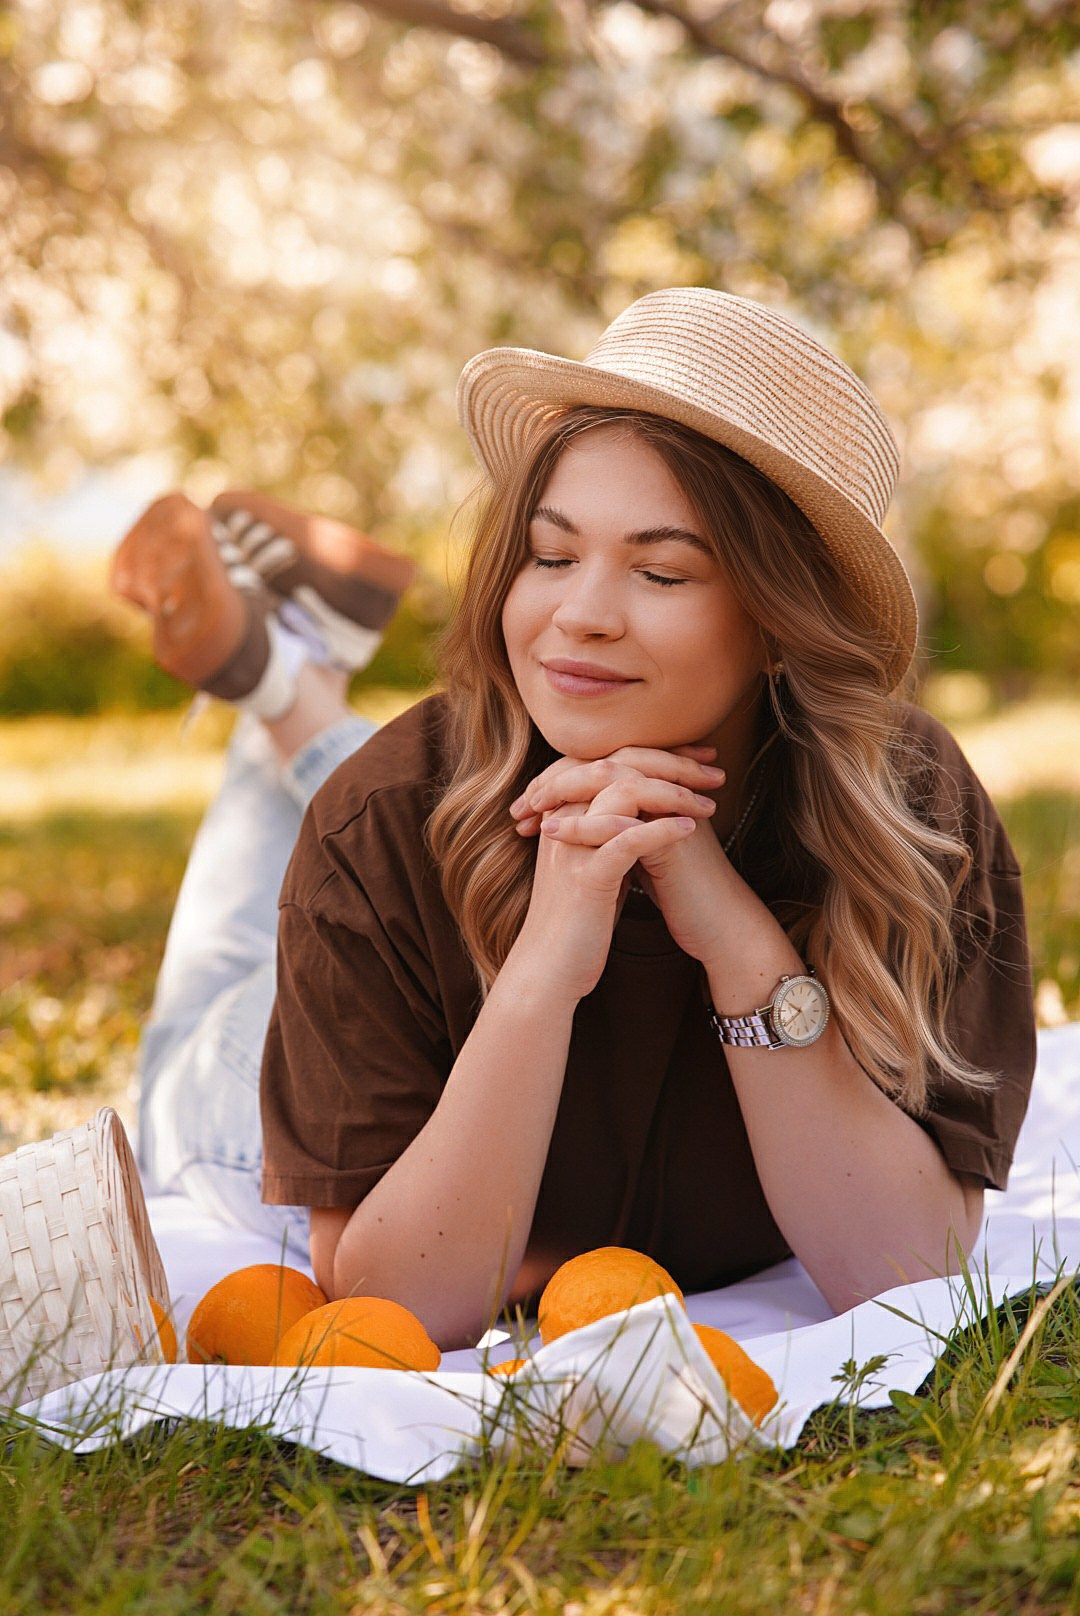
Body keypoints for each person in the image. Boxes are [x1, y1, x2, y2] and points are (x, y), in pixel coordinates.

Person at [113, 288, 1036, 1351]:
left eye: (660, 570)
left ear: (783, 621)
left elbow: (904, 1271)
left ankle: (284, 671)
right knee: (194, 1028)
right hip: (240, 1099)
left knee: (394, 771)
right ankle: (278, 689)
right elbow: (399, 1307)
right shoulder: (378, 815)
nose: (578, 614)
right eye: (551, 555)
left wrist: (734, 936)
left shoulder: (911, 816)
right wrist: (548, 962)